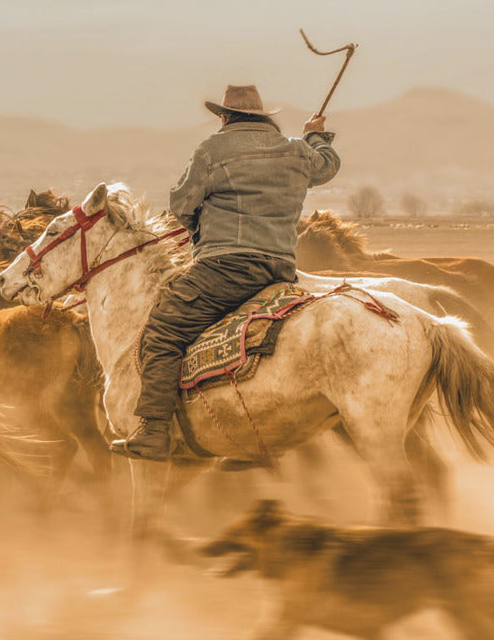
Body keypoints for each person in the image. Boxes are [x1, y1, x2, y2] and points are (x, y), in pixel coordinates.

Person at [111, 84, 341, 461]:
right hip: (279, 268)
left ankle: (153, 430)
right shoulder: (296, 150)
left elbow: (182, 204)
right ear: (262, 117)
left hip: (224, 268)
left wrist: (201, 233)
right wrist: (315, 135)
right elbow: (327, 166)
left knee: (163, 330)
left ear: (224, 116)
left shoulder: (212, 150)